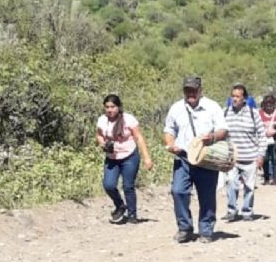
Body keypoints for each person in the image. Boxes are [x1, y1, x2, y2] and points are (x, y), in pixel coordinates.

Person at [163, 76, 227, 243]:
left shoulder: (212, 107)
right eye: (187, 90)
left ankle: (206, 230)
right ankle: (185, 228)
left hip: (206, 156)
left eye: (194, 90)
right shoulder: (176, 108)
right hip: (183, 157)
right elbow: (169, 130)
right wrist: (171, 145)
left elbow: (223, 129)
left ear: (200, 90)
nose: (190, 93)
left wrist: (212, 137)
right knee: (178, 191)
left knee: (207, 195)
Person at [96, 94, 153, 224]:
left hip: (129, 156)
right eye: (107, 107)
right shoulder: (102, 120)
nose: (110, 110)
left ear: (118, 107)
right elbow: (99, 135)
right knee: (109, 185)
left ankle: (132, 214)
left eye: (112, 107)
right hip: (112, 157)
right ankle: (120, 205)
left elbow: (138, 137)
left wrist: (146, 157)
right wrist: (103, 143)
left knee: (128, 186)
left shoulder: (128, 119)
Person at [223, 84, 264, 222]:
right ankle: (231, 210)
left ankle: (247, 211)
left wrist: (261, 155)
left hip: (250, 157)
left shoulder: (253, 114)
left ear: (244, 98)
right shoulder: (225, 113)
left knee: (249, 187)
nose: (234, 99)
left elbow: (262, 135)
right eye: (232, 96)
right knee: (231, 183)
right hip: (232, 158)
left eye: (237, 96)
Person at [259, 95, 276, 185]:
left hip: (275, 139)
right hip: (263, 139)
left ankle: (275, 179)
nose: (269, 106)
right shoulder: (260, 113)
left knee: (275, 158)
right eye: (267, 104)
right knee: (265, 159)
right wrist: (264, 132)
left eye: (271, 104)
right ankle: (266, 178)